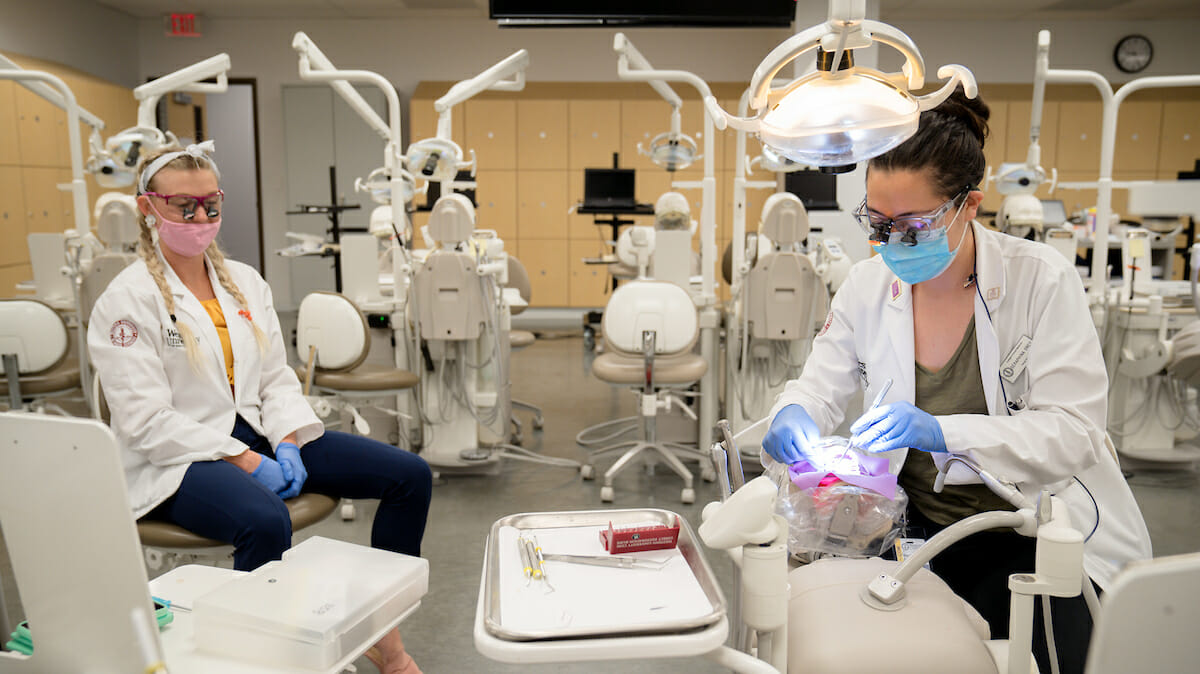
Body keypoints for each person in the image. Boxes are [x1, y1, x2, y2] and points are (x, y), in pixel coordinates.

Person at [761, 89, 1151, 674]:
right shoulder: (868, 287)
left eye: (913, 224)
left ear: (970, 205)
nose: (891, 240)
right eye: (877, 220)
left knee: (1057, 652)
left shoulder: (1038, 282)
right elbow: (818, 388)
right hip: (914, 524)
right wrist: (794, 413)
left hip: (1029, 523)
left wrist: (943, 431)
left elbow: (1074, 433)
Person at [88, 142, 432, 674]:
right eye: (185, 206)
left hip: (258, 433)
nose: (201, 218)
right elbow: (144, 422)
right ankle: (257, 658)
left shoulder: (244, 281)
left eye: (212, 205)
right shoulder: (126, 300)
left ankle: (377, 626)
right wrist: (244, 461)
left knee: (408, 475)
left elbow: (274, 376)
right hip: (176, 459)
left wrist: (289, 440)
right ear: (147, 206)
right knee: (264, 521)